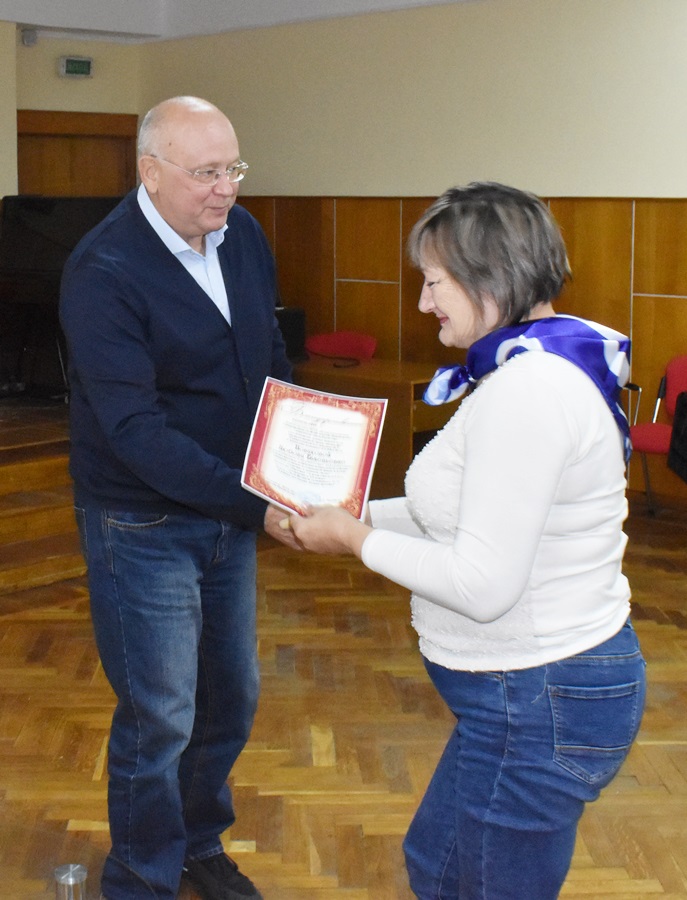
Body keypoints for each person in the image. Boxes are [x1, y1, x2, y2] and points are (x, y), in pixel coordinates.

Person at [285, 182, 646, 899]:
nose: (424, 303)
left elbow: (482, 585)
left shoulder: (529, 392)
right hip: (531, 695)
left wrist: (353, 537)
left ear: (492, 278)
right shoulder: (534, 366)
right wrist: (343, 516)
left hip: (538, 695)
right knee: (442, 868)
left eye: (434, 282)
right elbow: (465, 513)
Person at [60, 96, 301, 900]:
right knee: (160, 714)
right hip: (142, 519)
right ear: (150, 172)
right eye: (205, 173)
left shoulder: (244, 235)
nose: (225, 188)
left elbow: (267, 356)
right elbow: (135, 430)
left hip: (231, 507)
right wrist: (257, 503)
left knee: (229, 700)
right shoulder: (103, 269)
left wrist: (301, 454)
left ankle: (197, 844)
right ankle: (140, 877)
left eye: (233, 168)